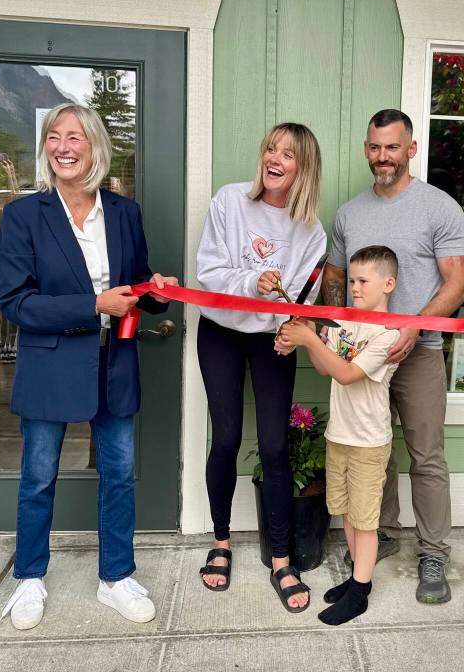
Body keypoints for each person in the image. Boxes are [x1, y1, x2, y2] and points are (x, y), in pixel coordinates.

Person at [0, 103, 176, 630]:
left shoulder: (124, 213)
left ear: (95, 145)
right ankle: (29, 577)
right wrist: (93, 306)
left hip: (113, 363)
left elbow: (134, 284)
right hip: (51, 366)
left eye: (75, 136)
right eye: (55, 137)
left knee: (118, 475)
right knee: (37, 478)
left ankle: (116, 577)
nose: (64, 146)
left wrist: (155, 292)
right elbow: (17, 302)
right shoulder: (24, 215)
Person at [322, 109, 464, 604]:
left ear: (411, 149)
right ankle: (377, 534)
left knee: (426, 456)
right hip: (363, 355)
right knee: (372, 452)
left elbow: (458, 282)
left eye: (391, 147)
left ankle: (433, 552)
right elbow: (338, 281)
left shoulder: (439, 207)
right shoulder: (348, 214)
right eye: (373, 147)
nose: (381, 156)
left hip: (420, 351)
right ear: (366, 149)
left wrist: (414, 324)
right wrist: (329, 330)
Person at [195, 122, 326, 612]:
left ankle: (280, 556)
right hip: (222, 334)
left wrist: (291, 315)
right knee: (226, 438)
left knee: (274, 446)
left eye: (288, 154)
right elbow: (208, 274)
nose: (275, 158)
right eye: (270, 147)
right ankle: (222, 541)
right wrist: (254, 281)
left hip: (274, 339)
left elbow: (302, 301)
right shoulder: (229, 202)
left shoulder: (312, 232)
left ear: (303, 168)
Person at [276, 245, 401, 624]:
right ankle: (355, 578)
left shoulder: (389, 333)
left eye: (364, 281)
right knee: (346, 513)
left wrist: (311, 339)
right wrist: (309, 334)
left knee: (365, 521)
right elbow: (324, 368)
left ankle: (360, 592)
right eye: (352, 280)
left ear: (388, 284)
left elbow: (348, 374)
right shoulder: (345, 322)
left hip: (368, 442)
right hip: (339, 436)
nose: (355, 287)